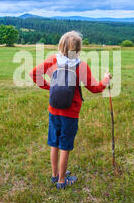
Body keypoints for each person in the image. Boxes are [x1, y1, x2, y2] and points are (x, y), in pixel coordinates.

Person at [30, 31, 112, 189]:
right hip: (71, 112)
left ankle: (55, 175)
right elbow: (95, 88)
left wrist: (49, 87)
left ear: (61, 46)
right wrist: (106, 80)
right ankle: (62, 181)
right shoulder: (81, 65)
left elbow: (33, 73)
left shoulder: (53, 60)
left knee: (54, 143)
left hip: (53, 109)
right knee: (65, 146)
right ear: (78, 49)